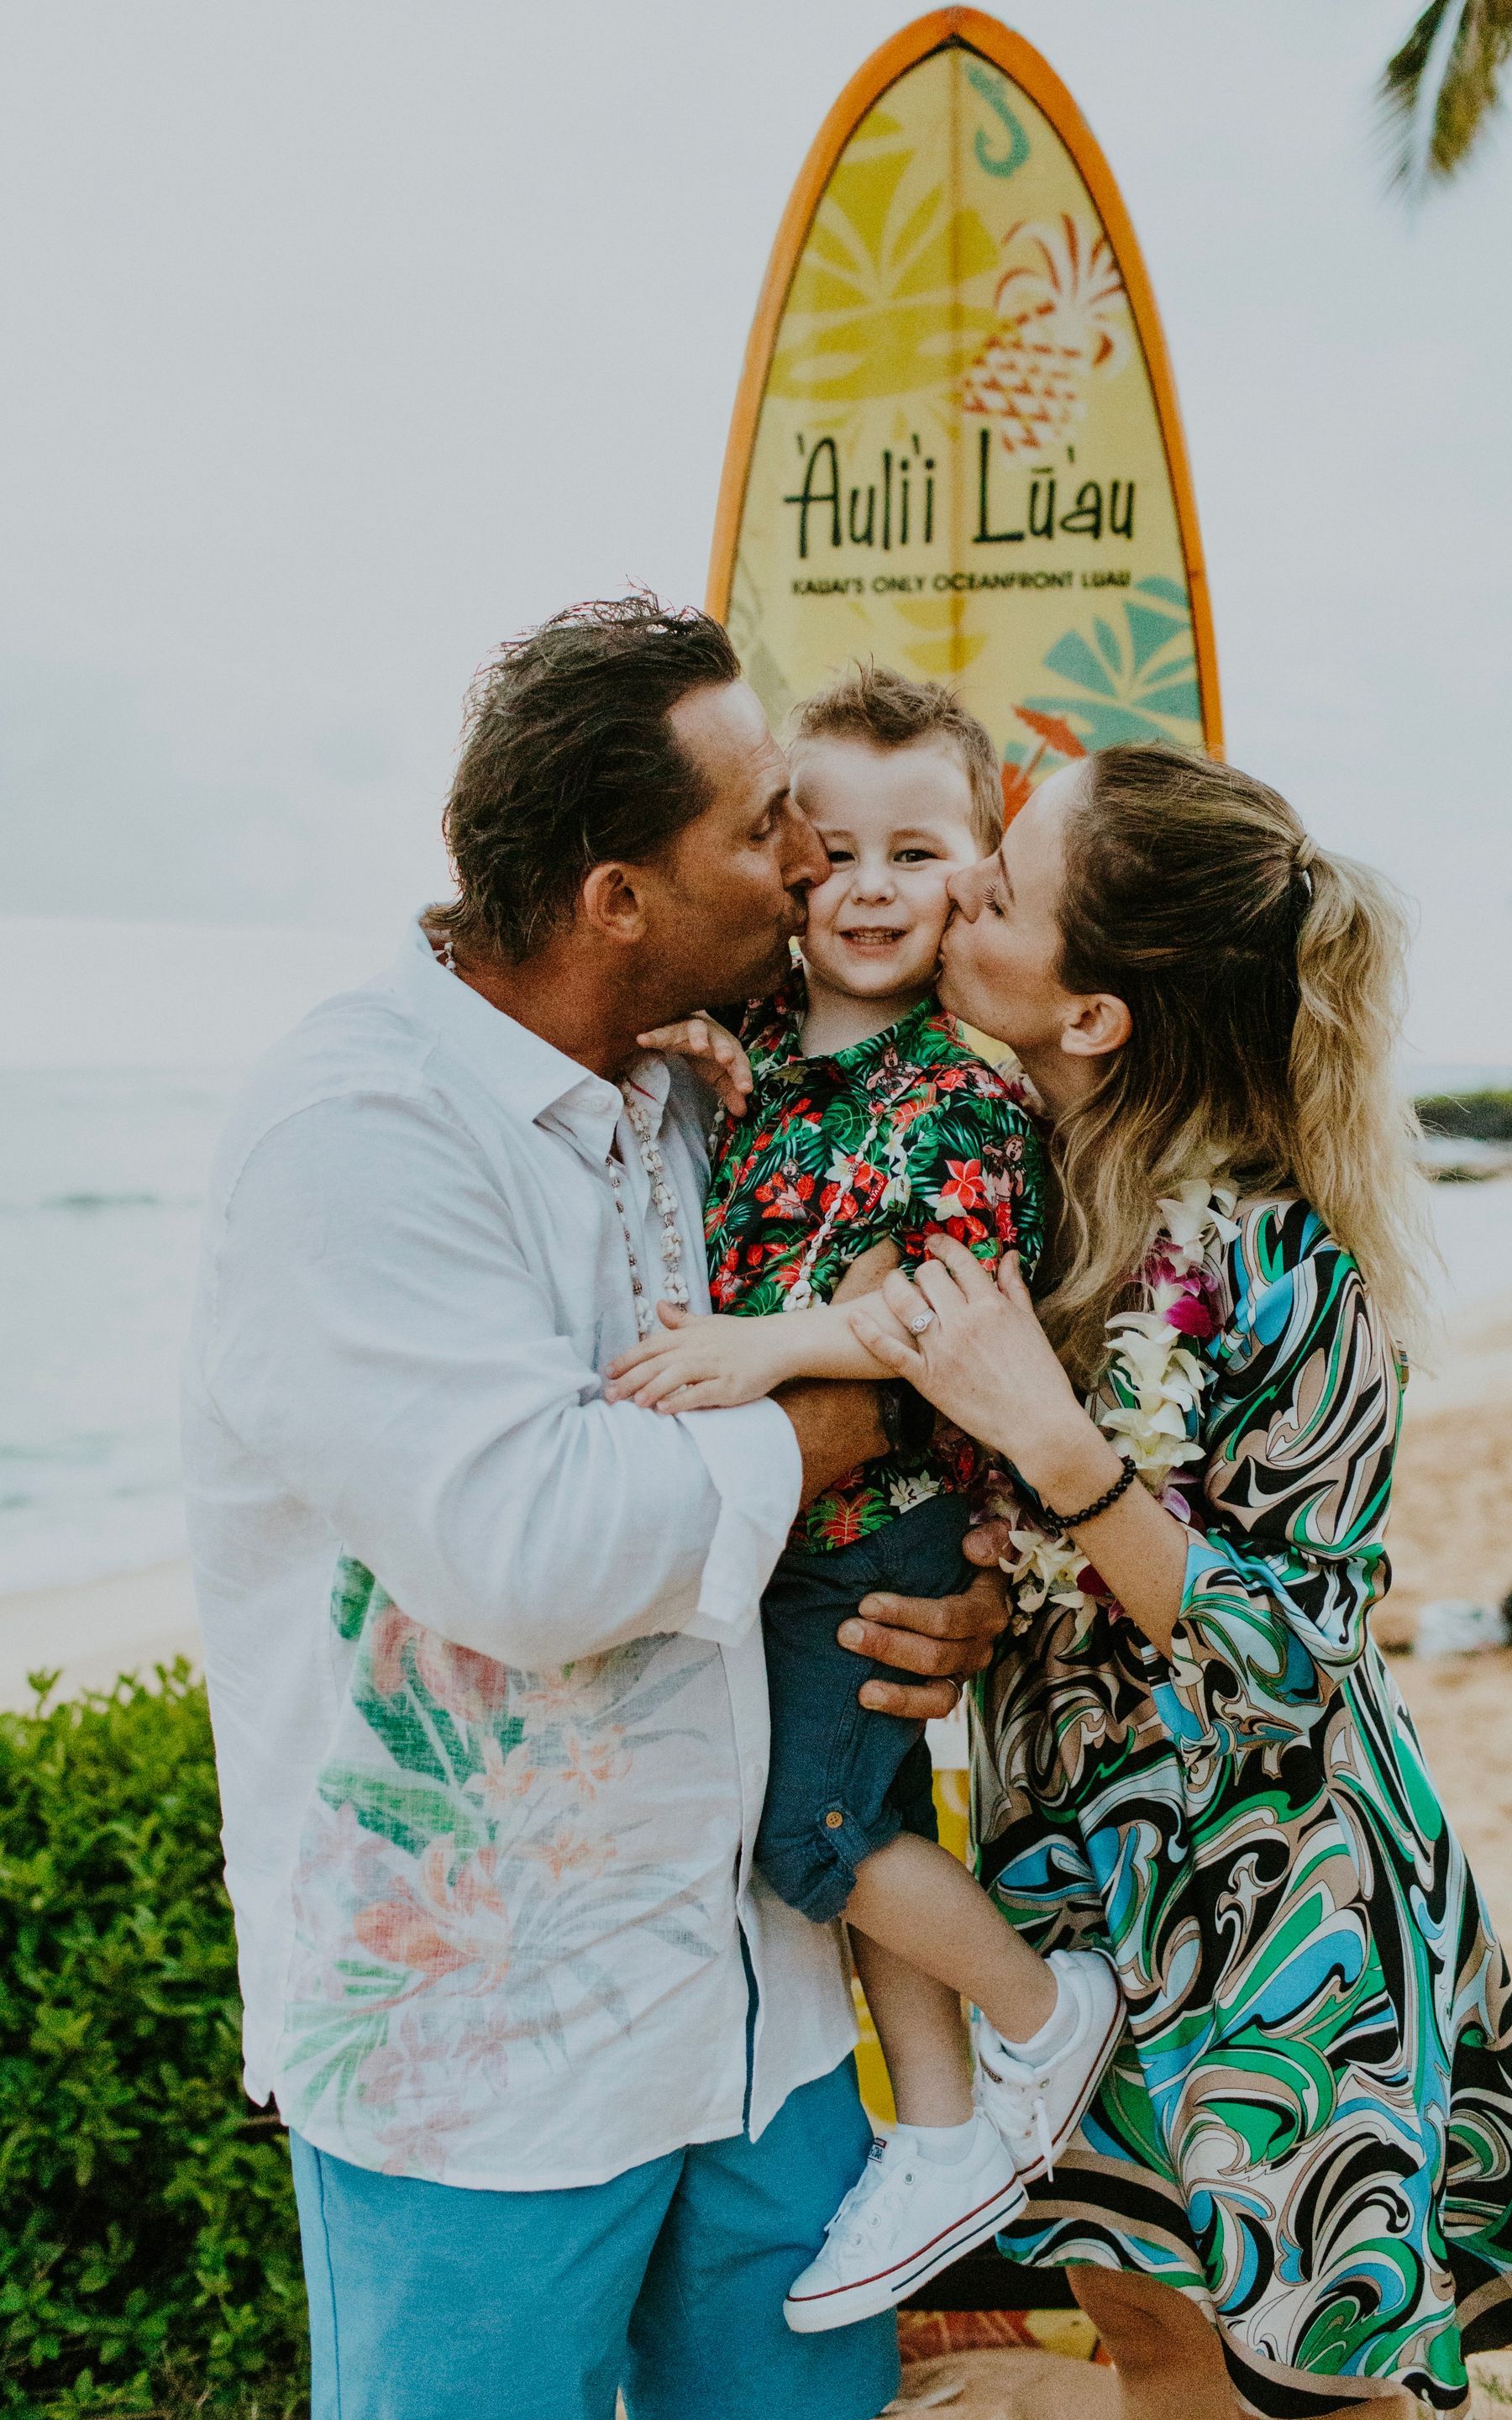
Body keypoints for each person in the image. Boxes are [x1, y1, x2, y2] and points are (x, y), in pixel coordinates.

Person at [181, 597, 1013, 2420]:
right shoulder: (359, 1132)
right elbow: (536, 1555)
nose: (808, 867)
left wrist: (965, 1592)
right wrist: (855, 1413)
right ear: (615, 896)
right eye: (762, 829)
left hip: (763, 2012)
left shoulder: (700, 1088)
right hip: (482, 2061)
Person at [843, 744, 1512, 2419]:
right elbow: (1044, 1569)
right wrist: (982, 1604)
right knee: (1150, 2339)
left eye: (1004, 884)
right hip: (1071, 1896)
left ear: (1094, 1013)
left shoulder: (1282, 1269)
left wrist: (1060, 1447)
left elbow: (1299, 1647)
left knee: (1315, 2388)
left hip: (1274, 1910)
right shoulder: (1026, 1202)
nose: (960, 886)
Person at [606, 665, 1121, 2332]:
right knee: (862, 1818)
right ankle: (949, 2131)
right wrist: (685, 1035)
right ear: (787, 865)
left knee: (806, 1830)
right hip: (781, 1536)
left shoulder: (963, 1093)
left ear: (981, 869)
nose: (878, 887)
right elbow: (753, 1125)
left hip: (878, 1527)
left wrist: (765, 1349)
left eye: (924, 851)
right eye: (839, 851)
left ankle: (1040, 2014)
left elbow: (943, 1308)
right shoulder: (762, 1042)